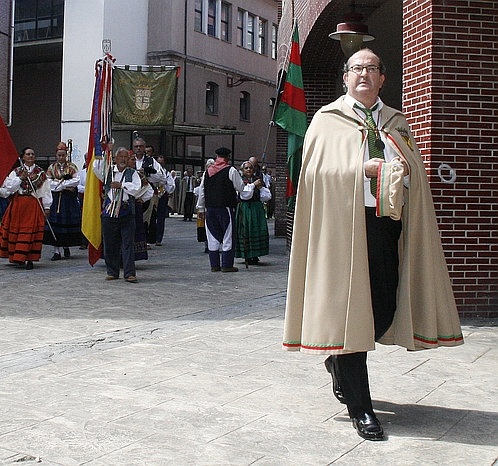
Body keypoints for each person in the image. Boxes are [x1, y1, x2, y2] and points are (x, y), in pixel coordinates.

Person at [283, 49, 463, 441]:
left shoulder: (396, 122)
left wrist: (404, 170)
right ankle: (361, 409)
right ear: (345, 78)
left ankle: (336, 360)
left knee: (381, 309)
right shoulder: (327, 120)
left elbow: (415, 170)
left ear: (383, 79)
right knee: (351, 315)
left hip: (387, 226)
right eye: (356, 68)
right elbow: (313, 175)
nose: (364, 74)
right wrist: (358, 169)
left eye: (372, 69)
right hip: (342, 228)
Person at [0, 147, 52, 270]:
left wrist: (47, 207)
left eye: (32, 154)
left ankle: (30, 258)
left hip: (33, 204)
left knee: (30, 232)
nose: (31, 156)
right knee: (18, 232)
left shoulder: (40, 172)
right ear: (23, 157)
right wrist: (20, 179)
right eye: (28, 154)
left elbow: (45, 191)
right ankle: (18, 257)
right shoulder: (17, 172)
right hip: (19, 204)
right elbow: (9, 187)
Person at [92, 147, 141, 283]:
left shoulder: (132, 173)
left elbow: (137, 189)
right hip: (109, 211)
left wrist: (122, 186)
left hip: (126, 212)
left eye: (126, 157)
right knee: (110, 243)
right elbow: (96, 168)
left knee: (128, 244)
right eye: (120, 157)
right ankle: (112, 271)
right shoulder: (108, 171)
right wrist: (104, 151)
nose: (123, 159)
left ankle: (129, 273)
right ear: (115, 158)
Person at [196, 147, 244, 272]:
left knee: (212, 236)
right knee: (228, 236)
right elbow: (240, 187)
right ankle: (227, 265)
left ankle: (214, 265)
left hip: (210, 208)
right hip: (225, 207)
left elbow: (202, 191)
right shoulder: (231, 170)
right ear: (227, 157)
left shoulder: (208, 172)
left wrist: (200, 209)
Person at [43, 142, 81, 260]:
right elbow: (48, 182)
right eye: (59, 155)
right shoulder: (51, 168)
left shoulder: (72, 167)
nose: (61, 157)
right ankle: (56, 250)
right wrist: (63, 185)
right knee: (56, 224)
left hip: (67, 201)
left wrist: (60, 183)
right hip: (55, 200)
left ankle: (65, 245)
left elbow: (76, 181)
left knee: (66, 223)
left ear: (66, 155)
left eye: (63, 155)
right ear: (56, 155)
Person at [235, 160, 271, 265]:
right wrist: (253, 185)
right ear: (242, 170)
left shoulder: (258, 180)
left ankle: (255, 254)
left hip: (256, 208)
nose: (249, 170)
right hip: (245, 208)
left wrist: (259, 187)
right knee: (245, 230)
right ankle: (246, 255)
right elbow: (245, 195)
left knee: (257, 229)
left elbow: (267, 196)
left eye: (250, 168)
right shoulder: (241, 181)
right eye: (246, 168)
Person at [132, 138, 166, 245]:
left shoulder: (151, 161)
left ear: (144, 147)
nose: (138, 148)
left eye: (141, 146)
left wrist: (147, 173)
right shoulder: (129, 159)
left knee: (146, 217)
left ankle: (144, 241)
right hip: (131, 192)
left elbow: (162, 178)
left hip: (147, 192)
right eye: (136, 146)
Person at [155, 155, 176, 246]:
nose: (160, 164)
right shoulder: (153, 171)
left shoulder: (167, 173)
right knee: (151, 217)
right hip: (153, 196)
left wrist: (166, 187)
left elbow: (172, 185)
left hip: (162, 196)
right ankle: (150, 237)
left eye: (161, 162)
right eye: (158, 162)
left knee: (160, 218)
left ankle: (158, 238)